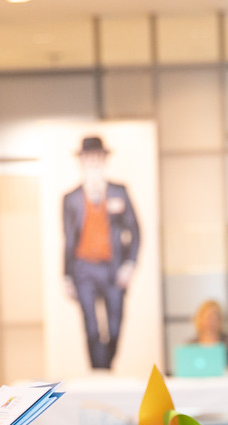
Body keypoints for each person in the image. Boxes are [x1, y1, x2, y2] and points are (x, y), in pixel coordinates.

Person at [62, 135, 141, 370]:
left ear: (104, 160)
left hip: (112, 268)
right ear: (82, 161)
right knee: (92, 328)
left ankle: (107, 366)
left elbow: (135, 232)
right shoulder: (71, 199)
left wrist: (129, 265)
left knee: (115, 327)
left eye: (98, 157)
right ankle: (99, 372)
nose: (93, 162)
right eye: (89, 158)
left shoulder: (119, 192)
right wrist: (67, 276)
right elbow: (67, 240)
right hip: (83, 268)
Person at [189, 299, 228, 369]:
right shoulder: (191, 345)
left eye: (215, 318)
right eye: (208, 318)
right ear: (200, 319)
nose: (211, 322)